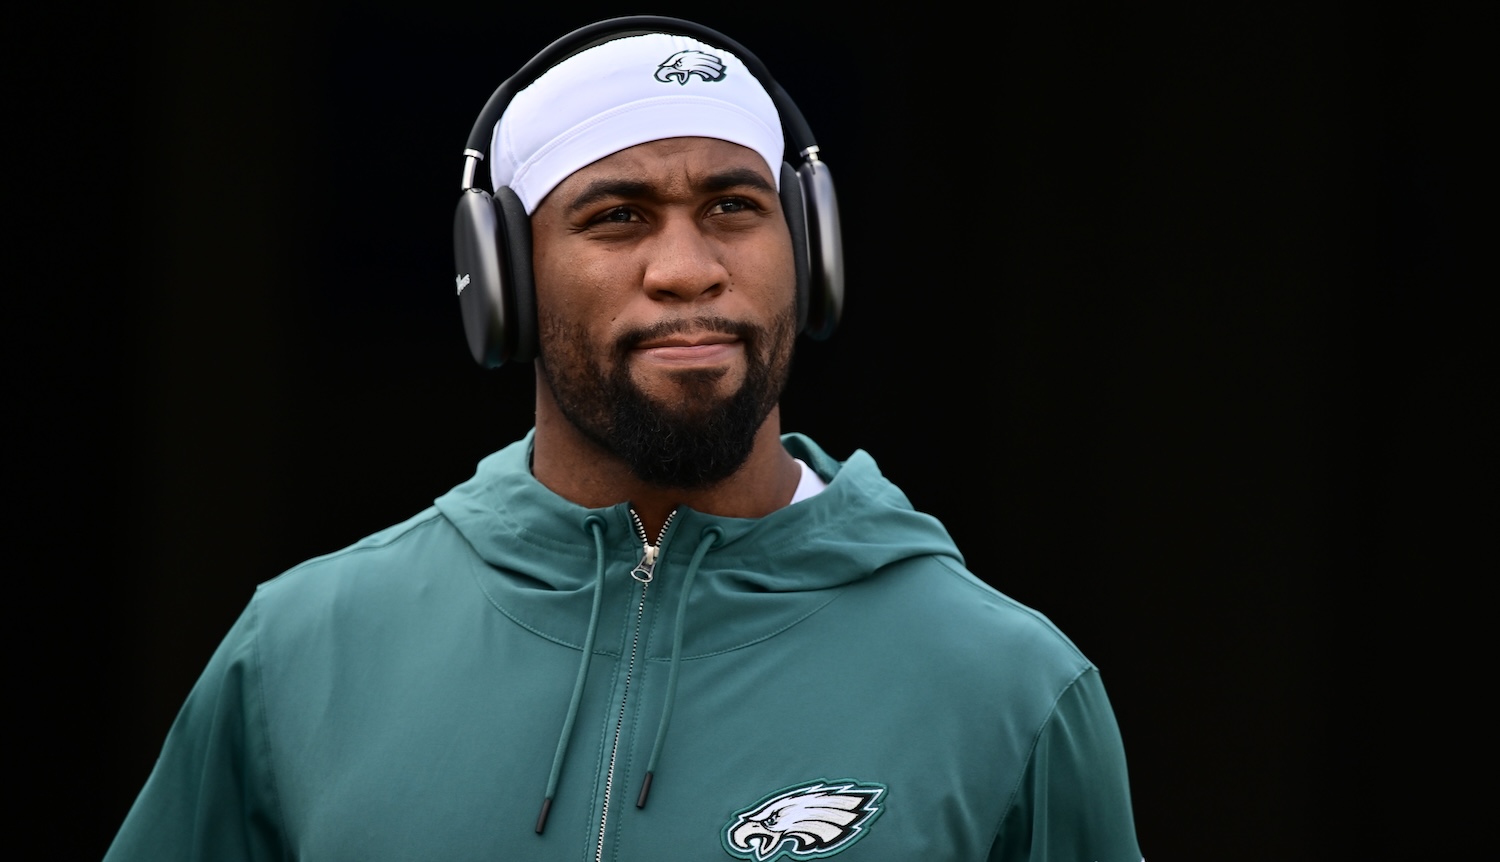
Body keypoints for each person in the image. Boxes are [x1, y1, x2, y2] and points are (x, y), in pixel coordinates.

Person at [105, 15, 1143, 862]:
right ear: (502, 280)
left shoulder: (1011, 687)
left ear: (810, 252)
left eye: (734, 206)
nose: (687, 267)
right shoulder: (298, 653)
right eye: (618, 216)